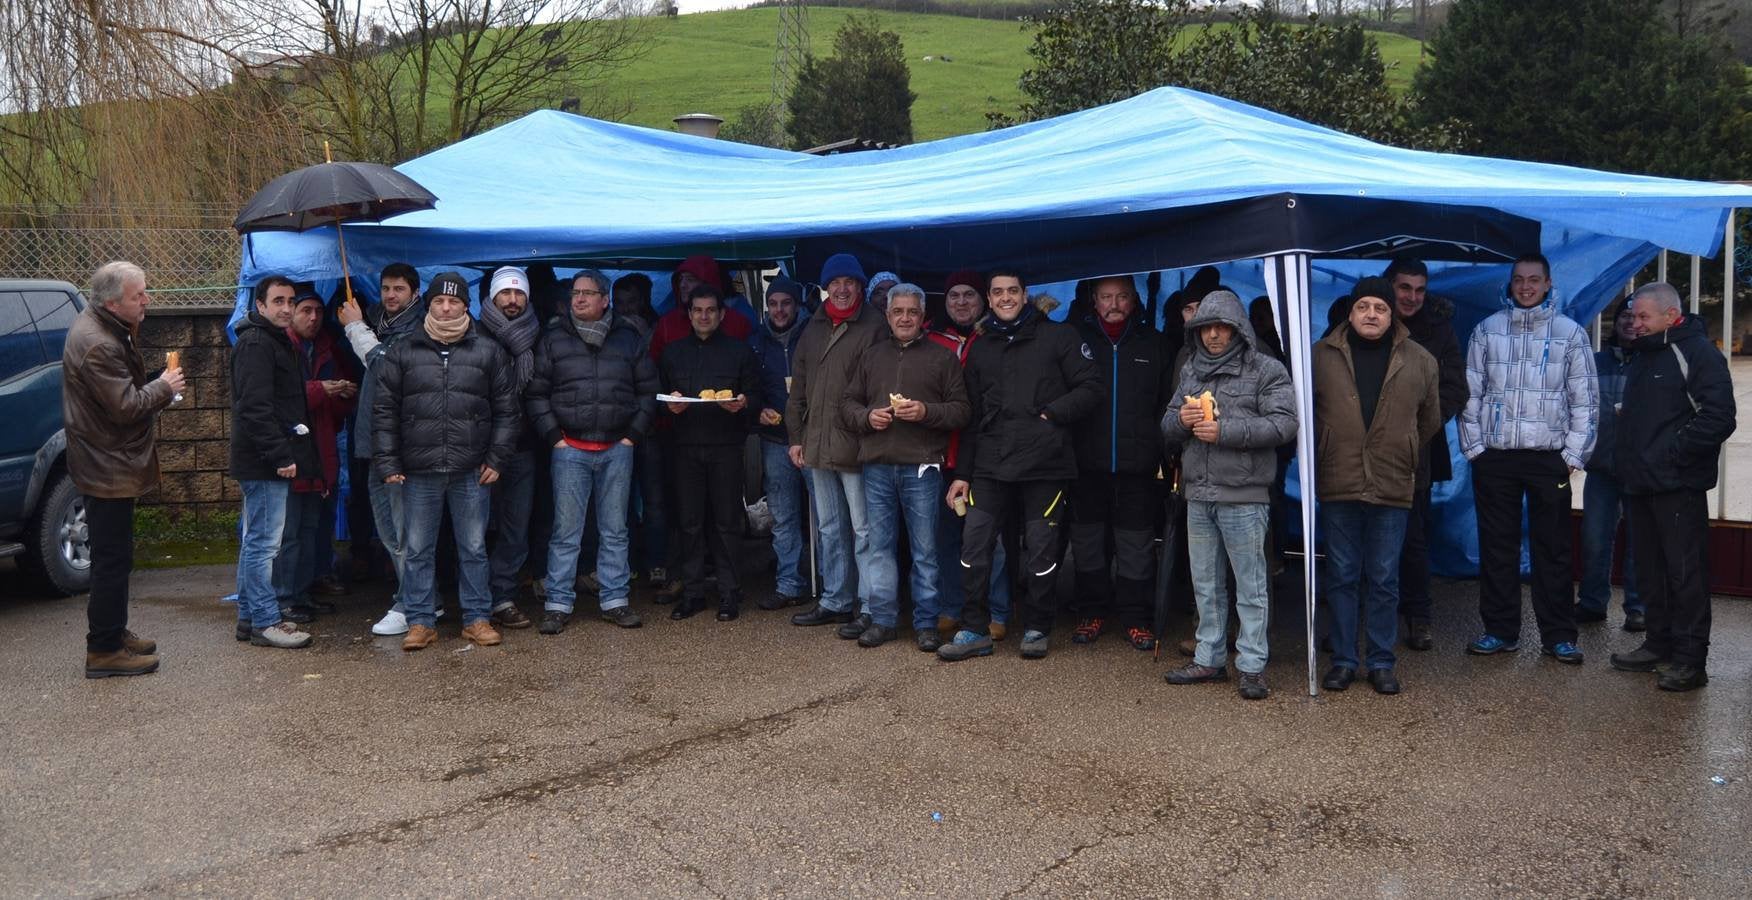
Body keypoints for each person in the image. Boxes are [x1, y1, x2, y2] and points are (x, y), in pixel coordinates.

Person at [938, 269, 1102, 662]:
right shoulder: (981, 347)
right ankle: (974, 629)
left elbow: (1092, 387)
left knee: (1041, 552)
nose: (1005, 298)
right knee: (974, 545)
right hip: (991, 465)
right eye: (998, 293)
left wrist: (1053, 414)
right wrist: (963, 475)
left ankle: (1037, 626)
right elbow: (973, 418)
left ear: (1026, 295)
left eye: (1013, 291)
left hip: (1046, 464)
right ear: (989, 300)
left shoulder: (1059, 336)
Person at [1458, 253, 1597, 663]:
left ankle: (1558, 635)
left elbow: (1585, 401)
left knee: (1551, 549)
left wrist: (1573, 455)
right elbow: (1470, 394)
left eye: (1534, 280)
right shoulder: (1487, 331)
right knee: (1497, 547)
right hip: (1496, 458)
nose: (1526, 287)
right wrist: (1476, 449)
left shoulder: (1570, 334)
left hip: (1548, 459)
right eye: (1519, 279)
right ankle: (1500, 630)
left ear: (1549, 284)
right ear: (1511, 283)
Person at [1160, 290, 1297, 700]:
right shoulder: (1190, 371)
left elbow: (1285, 424)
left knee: (1251, 585)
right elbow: (1167, 425)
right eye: (1206, 327)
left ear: (1239, 329)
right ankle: (1209, 658)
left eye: (1222, 327)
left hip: (1244, 494)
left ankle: (1252, 665)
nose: (1214, 335)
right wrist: (1180, 420)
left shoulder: (1266, 370)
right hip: (1198, 494)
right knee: (1206, 584)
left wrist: (1226, 431)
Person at [373, 271, 519, 651]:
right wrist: (388, 463)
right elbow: (384, 411)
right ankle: (421, 621)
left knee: (473, 547)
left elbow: (507, 411)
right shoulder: (405, 350)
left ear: (465, 306)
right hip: (419, 470)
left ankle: (476, 618)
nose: (446, 306)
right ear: (429, 303)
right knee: (419, 548)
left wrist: (497, 458)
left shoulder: (487, 351)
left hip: (472, 469)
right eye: (439, 300)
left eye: (454, 301)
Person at [1311, 278, 1441, 695]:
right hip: (1339, 478)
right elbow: (1306, 414)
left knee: (1385, 576)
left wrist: (1399, 447)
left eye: (1380, 308)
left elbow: (1429, 420)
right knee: (1343, 574)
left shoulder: (1420, 359)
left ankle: (1382, 662)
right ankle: (1345, 661)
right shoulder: (1319, 356)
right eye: (1363, 306)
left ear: (1393, 314)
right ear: (1350, 313)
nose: (1371, 314)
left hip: (1391, 479)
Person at [1610, 282, 1736, 692]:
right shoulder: (1644, 355)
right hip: (1640, 485)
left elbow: (1719, 416)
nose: (1635, 324)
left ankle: (1689, 660)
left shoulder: (1696, 352)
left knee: (1686, 576)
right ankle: (1658, 644)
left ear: (1671, 315)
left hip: (1677, 487)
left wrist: (1673, 454)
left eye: (1644, 316)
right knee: (1649, 572)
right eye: (1633, 316)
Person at [63, 261, 183, 677]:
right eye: (139, 295)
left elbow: (121, 394)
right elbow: (126, 407)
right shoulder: (99, 343)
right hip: (106, 465)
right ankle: (103, 650)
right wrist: (164, 386)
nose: (147, 300)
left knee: (115, 557)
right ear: (113, 303)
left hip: (105, 460)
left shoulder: (104, 327)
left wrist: (154, 382)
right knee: (112, 560)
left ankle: (112, 632)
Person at [528, 270, 659, 634]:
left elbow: (648, 390)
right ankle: (557, 602)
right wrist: (554, 436)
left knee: (615, 529)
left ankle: (615, 600)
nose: (579, 299)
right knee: (566, 530)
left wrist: (633, 435)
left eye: (588, 293)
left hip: (618, 446)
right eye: (575, 293)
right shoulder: (553, 339)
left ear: (605, 300)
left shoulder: (628, 339)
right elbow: (537, 394)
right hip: (570, 447)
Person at [839, 283, 970, 649]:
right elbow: (847, 404)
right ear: (888, 315)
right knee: (880, 547)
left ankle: (926, 622)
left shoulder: (942, 357)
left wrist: (926, 412)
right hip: (877, 465)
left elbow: (962, 410)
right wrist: (868, 417)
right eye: (898, 311)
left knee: (925, 550)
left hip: (922, 467)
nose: (905, 318)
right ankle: (883, 619)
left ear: (923, 316)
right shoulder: (871, 355)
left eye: (912, 312)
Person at [1069, 275, 1171, 652]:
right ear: (1094, 301)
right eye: (1106, 297)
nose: (1114, 304)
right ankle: (1091, 611)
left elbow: (1167, 403)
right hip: (1085, 463)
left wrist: (1158, 450)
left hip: (1138, 466)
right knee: (1088, 542)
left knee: (1136, 545)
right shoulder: (1075, 341)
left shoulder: (1154, 344)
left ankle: (1135, 616)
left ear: (1134, 301)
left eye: (1122, 297)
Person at [787, 254, 888, 629]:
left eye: (850, 282)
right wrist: (795, 437)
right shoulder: (812, 326)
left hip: (858, 444)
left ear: (860, 286)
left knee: (864, 530)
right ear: (825, 287)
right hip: (816, 444)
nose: (842, 289)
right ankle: (836, 598)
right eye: (835, 282)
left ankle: (869, 604)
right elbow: (798, 387)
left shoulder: (875, 326)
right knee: (829, 527)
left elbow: (880, 386)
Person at [660, 283, 763, 621]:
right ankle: (692, 593)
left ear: (721, 315)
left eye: (710, 310)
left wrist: (744, 403)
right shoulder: (672, 353)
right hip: (685, 447)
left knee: (727, 522)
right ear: (689, 315)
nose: (704, 316)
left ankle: (729, 593)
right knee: (688, 523)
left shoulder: (740, 352)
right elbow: (656, 398)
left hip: (726, 448)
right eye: (697, 310)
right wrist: (669, 407)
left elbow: (755, 395)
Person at [337, 263, 428, 637]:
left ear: (415, 294)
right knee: (389, 531)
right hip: (374, 443)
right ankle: (417, 596)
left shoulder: (419, 329)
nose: (390, 296)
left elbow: (388, 368)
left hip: (400, 447)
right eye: (386, 288)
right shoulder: (382, 324)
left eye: (399, 289)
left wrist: (355, 327)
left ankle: (413, 603)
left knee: (405, 531)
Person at [231, 275, 321, 650]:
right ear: (261, 305)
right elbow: (255, 408)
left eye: (290, 301)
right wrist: (280, 455)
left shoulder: (273, 340)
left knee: (257, 540)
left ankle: (249, 616)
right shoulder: (257, 343)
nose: (286, 308)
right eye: (278, 301)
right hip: (264, 461)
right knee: (265, 544)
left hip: (265, 457)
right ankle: (266, 620)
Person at [927, 270, 1013, 639]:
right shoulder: (930, 339)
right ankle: (951, 606)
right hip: (942, 453)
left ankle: (997, 610)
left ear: (985, 300)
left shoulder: (995, 337)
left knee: (989, 539)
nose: (962, 302)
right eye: (954, 296)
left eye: (970, 295)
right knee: (946, 536)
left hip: (987, 455)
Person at [275, 287, 356, 625]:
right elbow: (284, 398)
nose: (312, 318)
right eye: (305, 310)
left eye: (317, 312)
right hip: (292, 452)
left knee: (313, 527)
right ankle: (283, 598)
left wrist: (342, 393)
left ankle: (303, 592)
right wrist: (321, 390)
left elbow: (338, 410)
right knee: (289, 532)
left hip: (322, 447)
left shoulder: (326, 347)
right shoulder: (281, 348)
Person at [469, 266, 543, 630]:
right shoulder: (473, 335)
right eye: (505, 293)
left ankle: (503, 596)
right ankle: (475, 601)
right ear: (492, 297)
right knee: (477, 529)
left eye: (519, 293)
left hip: (524, 446)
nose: (512, 300)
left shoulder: (537, 334)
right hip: (480, 450)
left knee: (516, 527)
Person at [1578, 299, 1642, 631]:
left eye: (1637, 317)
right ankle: (1591, 602)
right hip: (1601, 467)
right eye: (1624, 316)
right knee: (1594, 538)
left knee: (1640, 542)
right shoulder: (1595, 362)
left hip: (1640, 470)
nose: (1630, 322)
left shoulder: (1653, 361)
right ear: (1615, 323)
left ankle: (1637, 608)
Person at [750, 276, 813, 610]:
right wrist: (757, 408)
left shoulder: (813, 334)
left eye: (785, 303)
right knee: (783, 516)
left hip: (814, 438)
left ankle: (832, 585)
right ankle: (789, 583)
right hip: (775, 439)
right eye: (773, 304)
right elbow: (748, 382)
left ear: (797, 304)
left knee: (827, 519)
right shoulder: (756, 340)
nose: (779, 310)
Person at [647, 255, 754, 362]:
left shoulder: (738, 323)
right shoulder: (667, 324)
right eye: (680, 279)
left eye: (690, 279)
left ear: (708, 282)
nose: (683, 285)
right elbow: (654, 367)